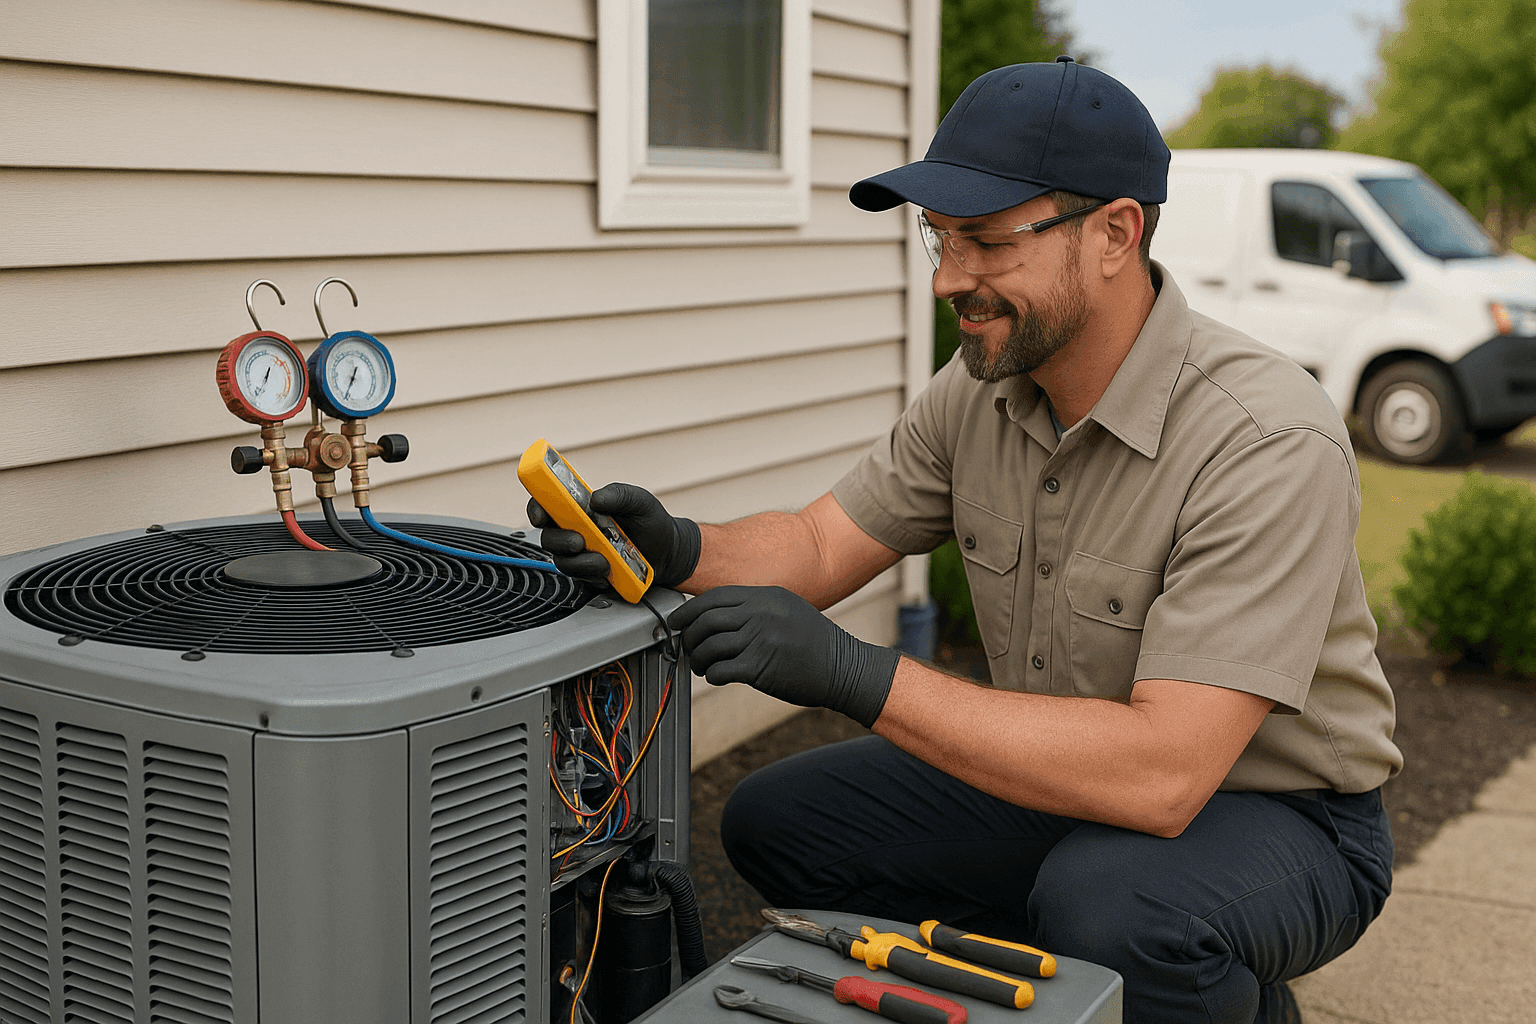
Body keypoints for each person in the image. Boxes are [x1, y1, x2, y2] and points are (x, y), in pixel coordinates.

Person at [531, 57, 1400, 1024]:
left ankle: (1228, 1002)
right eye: (939, 238)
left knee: (1116, 909)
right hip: (1062, 776)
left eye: (985, 242)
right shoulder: (983, 385)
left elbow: (1164, 774)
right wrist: (683, 548)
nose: (950, 278)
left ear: (1117, 233)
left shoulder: (1264, 439)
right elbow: (822, 545)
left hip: (1281, 815)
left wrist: (856, 675)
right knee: (780, 825)